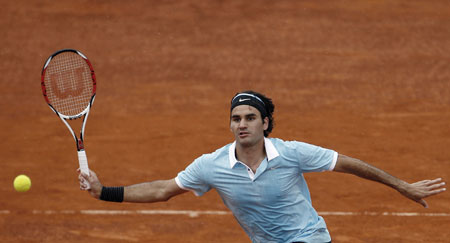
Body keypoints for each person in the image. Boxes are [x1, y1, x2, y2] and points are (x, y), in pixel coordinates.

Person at [79, 90, 446, 243]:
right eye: (236, 118)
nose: (242, 124)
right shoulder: (211, 165)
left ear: (265, 123)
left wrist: (403, 186)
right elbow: (163, 190)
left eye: (251, 117)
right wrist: (104, 191)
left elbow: (349, 164)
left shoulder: (292, 153)